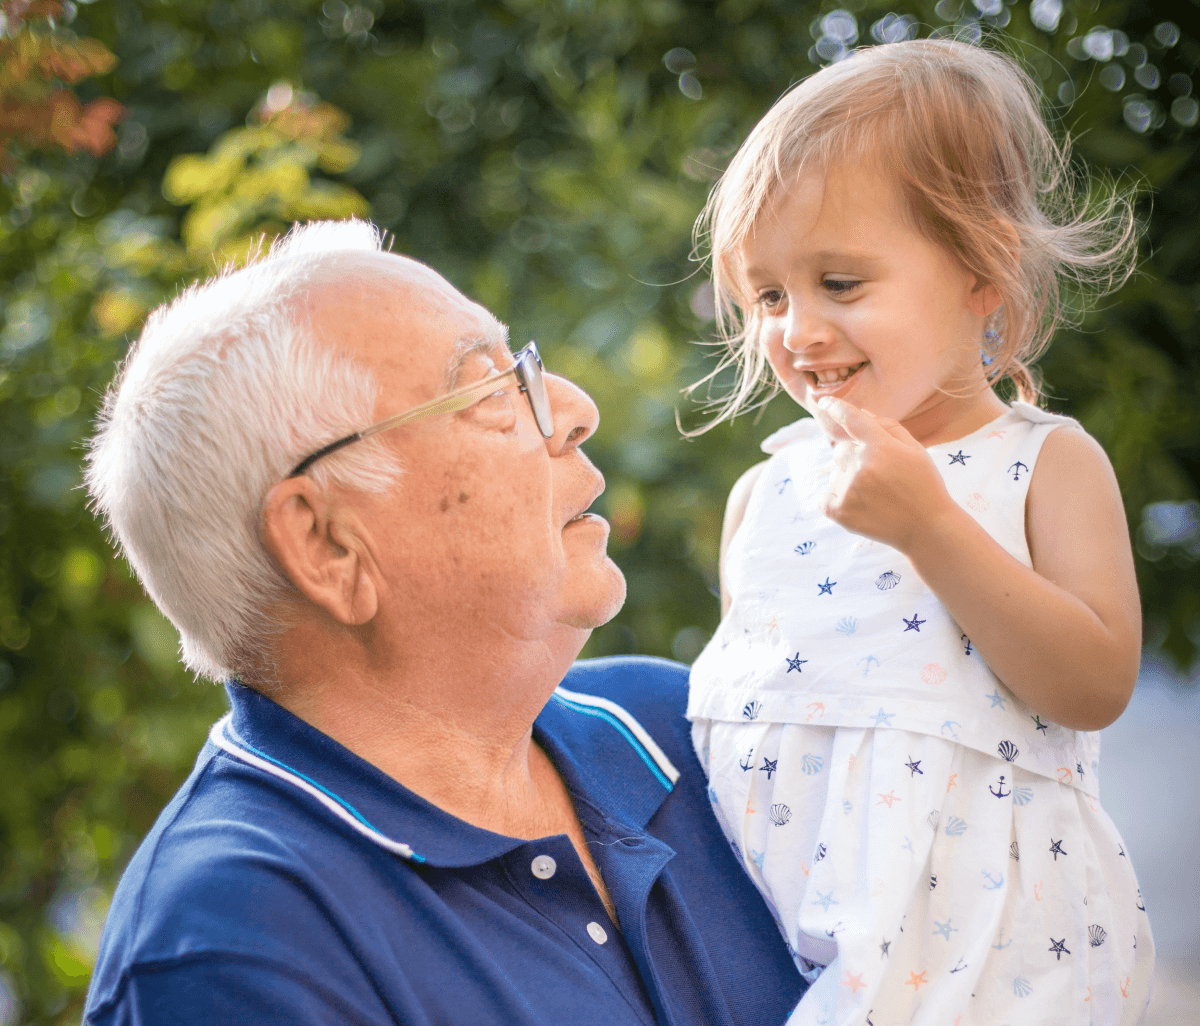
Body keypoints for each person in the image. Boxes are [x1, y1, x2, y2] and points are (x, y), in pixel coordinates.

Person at [81, 221, 806, 1025]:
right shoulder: (230, 945)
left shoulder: (689, 729)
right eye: (492, 391)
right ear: (326, 544)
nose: (574, 410)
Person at [685, 39, 1153, 1025]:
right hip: (788, 956)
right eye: (769, 295)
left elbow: (1095, 682)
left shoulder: (1044, 466)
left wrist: (931, 526)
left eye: (841, 285)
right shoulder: (766, 497)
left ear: (982, 274)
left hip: (994, 968)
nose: (797, 330)